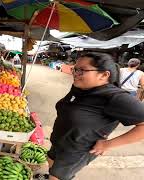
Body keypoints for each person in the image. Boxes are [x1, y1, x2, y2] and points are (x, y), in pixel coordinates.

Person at [46, 52, 144, 180]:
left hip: (77, 151)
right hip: (60, 142)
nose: (75, 74)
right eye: (75, 69)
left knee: (56, 177)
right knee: (51, 164)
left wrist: (108, 144)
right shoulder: (80, 87)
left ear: (104, 75)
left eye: (82, 70)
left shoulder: (116, 97)